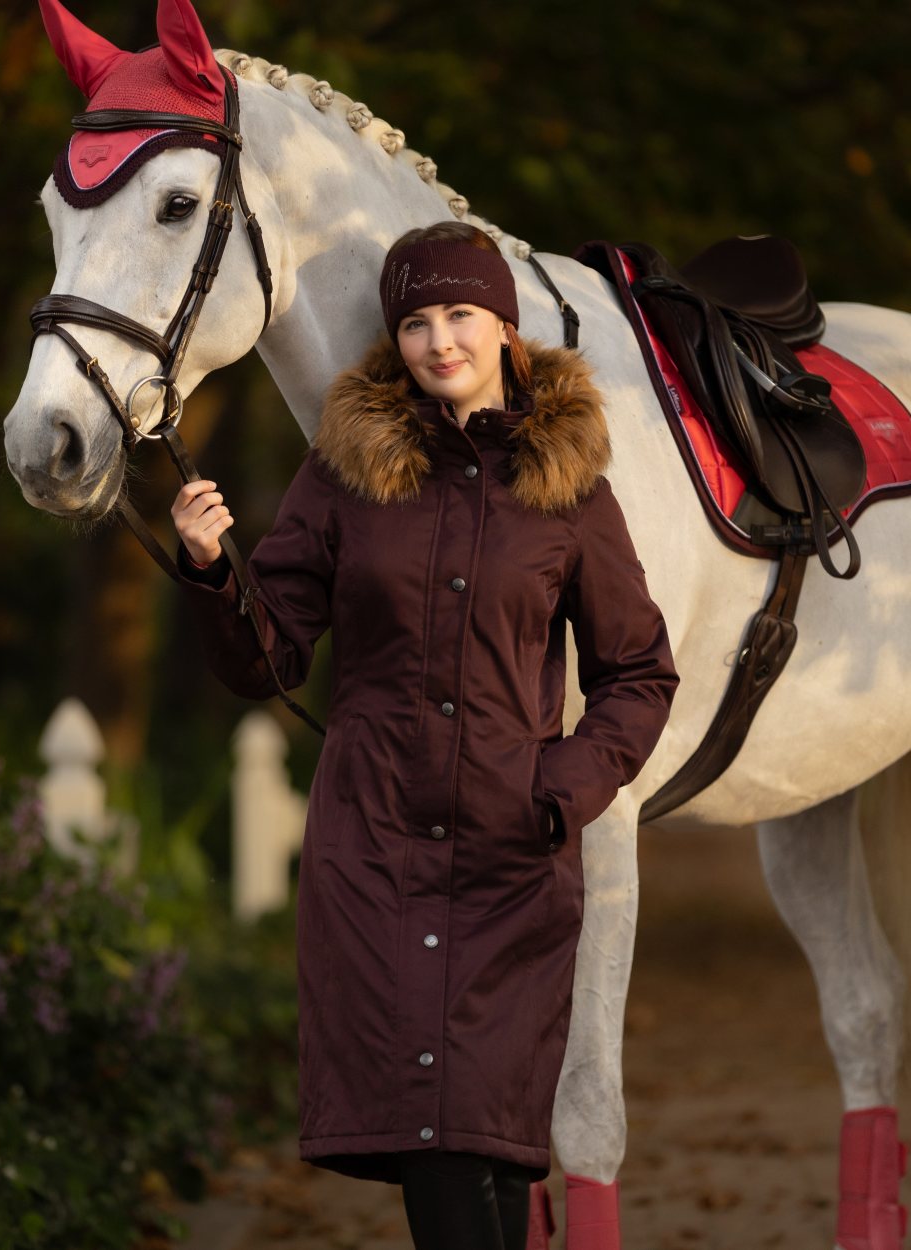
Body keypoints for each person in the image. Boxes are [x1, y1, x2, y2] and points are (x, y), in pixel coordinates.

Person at [171, 221, 679, 1250]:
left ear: (503, 324)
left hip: (510, 860)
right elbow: (267, 658)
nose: (438, 340)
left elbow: (639, 673)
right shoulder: (343, 472)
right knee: (437, 1149)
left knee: (488, 1146)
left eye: (458, 314)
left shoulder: (567, 485)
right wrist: (216, 566)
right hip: (375, 857)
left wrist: (559, 786)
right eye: (414, 320)